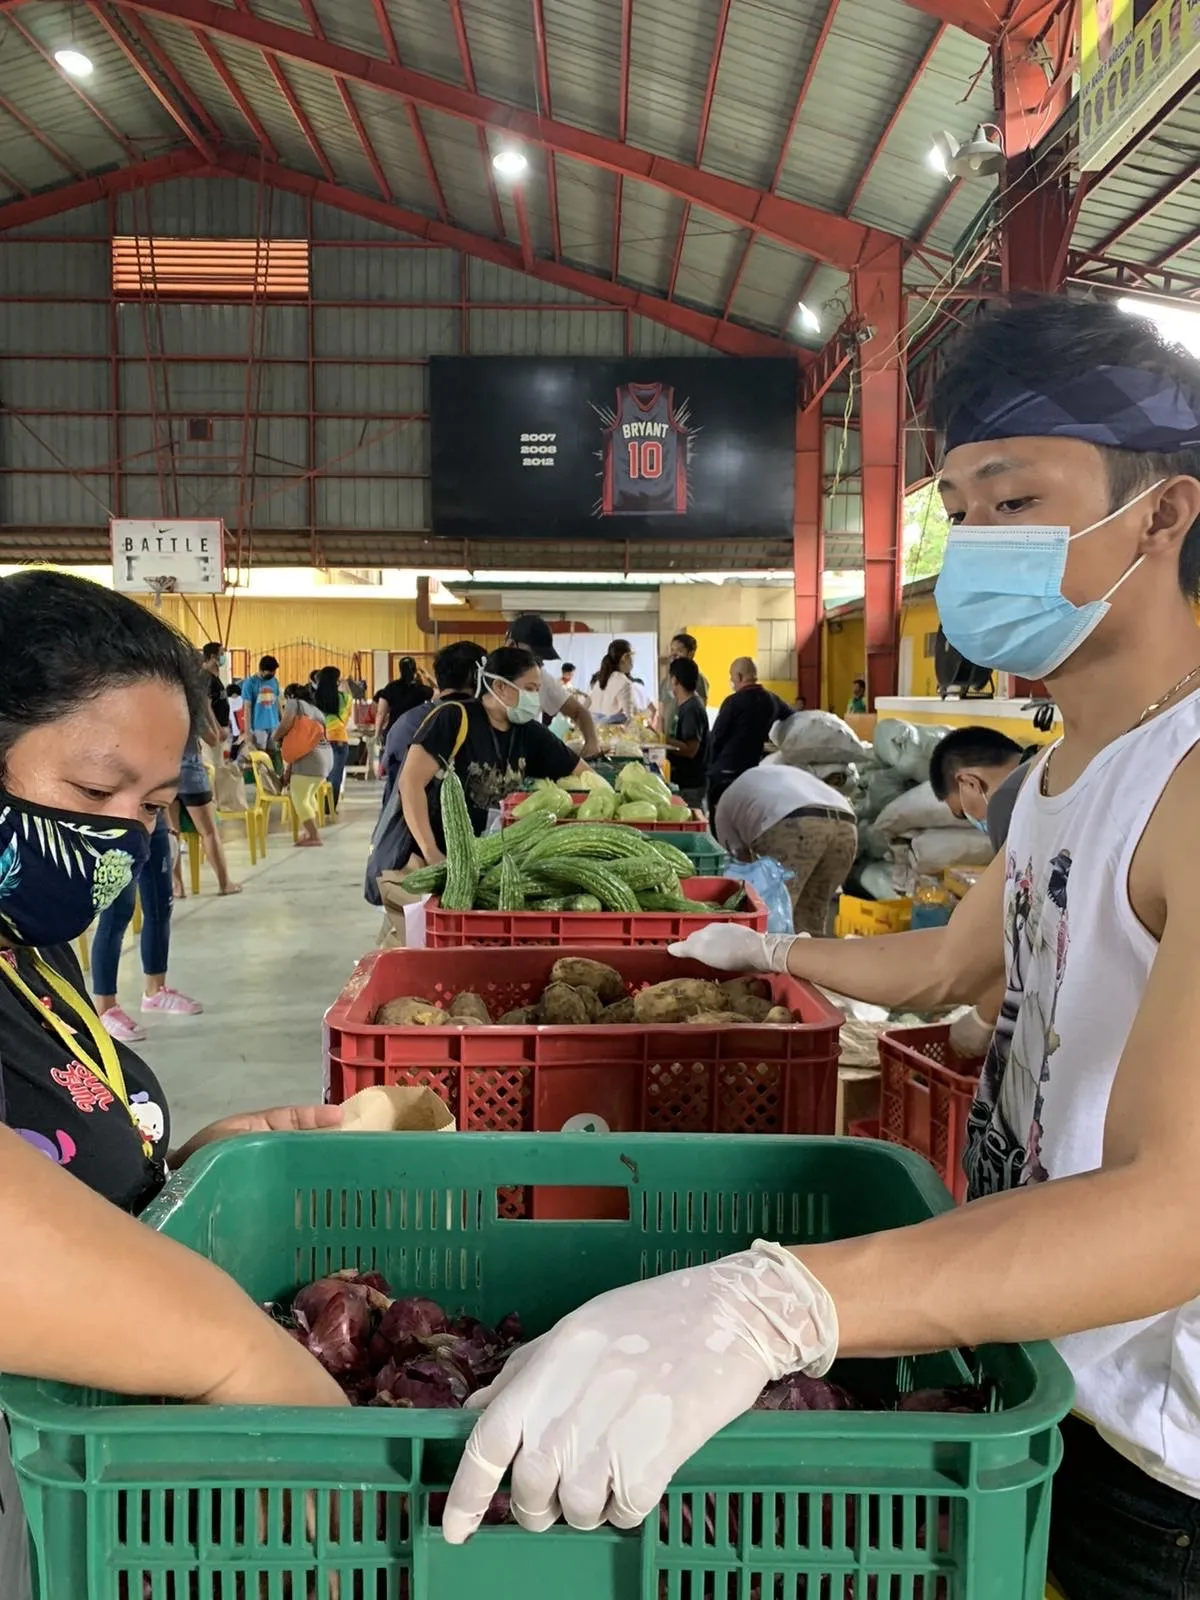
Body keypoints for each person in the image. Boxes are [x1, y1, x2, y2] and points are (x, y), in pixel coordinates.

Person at [438, 296, 1200, 1599]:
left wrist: (780, 1302)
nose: (979, 544)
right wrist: (774, 962)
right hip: (1039, 1355)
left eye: (1017, 501)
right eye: (962, 509)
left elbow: (1177, 1209)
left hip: (1161, 1461)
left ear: (1165, 512)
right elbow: (951, 968)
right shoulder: (1064, 776)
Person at [0, 570, 348, 1586]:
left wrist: (181, 1170)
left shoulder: (28, 940)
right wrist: (246, 1359)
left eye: (152, 803)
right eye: (93, 794)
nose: (124, 832)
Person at [398, 644, 585, 865]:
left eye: (537, 690)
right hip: (444, 857)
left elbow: (583, 774)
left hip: (495, 860)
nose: (535, 698)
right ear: (500, 686)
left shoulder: (529, 732)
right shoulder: (453, 718)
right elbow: (410, 783)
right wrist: (432, 853)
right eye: (529, 688)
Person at [92, 810, 200, 1042]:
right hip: (118, 822)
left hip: (153, 818)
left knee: (161, 905)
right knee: (117, 914)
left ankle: (155, 991)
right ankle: (105, 1008)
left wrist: (168, 826)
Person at [712, 764, 857, 935]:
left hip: (797, 823)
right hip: (847, 826)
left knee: (776, 911)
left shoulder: (723, 806)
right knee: (813, 914)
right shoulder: (768, 775)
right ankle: (811, 951)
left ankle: (774, 952)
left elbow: (738, 863)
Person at [379, 640, 482, 809]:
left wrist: (378, 734)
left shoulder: (408, 717)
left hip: (400, 812)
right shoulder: (474, 720)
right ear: (477, 676)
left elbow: (390, 763)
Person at [707, 657, 790, 824]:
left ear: (739, 676)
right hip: (751, 773)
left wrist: (709, 766)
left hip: (725, 772)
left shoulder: (733, 702)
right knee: (745, 821)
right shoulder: (772, 700)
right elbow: (792, 717)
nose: (732, 682)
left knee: (721, 821)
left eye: (732, 677)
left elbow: (716, 738)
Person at [176, 683, 241, 896]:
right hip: (190, 773)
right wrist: (207, 709)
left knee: (171, 833)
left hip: (164, 774)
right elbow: (213, 738)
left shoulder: (157, 705)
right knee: (209, 832)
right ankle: (224, 883)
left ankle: (178, 886)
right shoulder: (190, 706)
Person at [928, 725, 1036, 851]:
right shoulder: (1047, 761)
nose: (975, 822)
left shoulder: (1020, 824)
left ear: (970, 783)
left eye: (964, 814)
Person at [506, 614, 601, 757]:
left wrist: (592, 742)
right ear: (511, 645)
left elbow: (579, 712)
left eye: (541, 659)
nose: (537, 663)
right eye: (533, 656)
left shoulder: (542, 678)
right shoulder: (488, 676)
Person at [275, 683, 332, 848]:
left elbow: (285, 724)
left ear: (290, 696)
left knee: (299, 797)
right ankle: (309, 831)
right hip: (325, 757)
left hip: (309, 759)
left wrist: (275, 736)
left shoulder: (294, 703)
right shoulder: (317, 711)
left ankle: (314, 836)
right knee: (308, 797)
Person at [662, 658, 710, 811]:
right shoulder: (683, 705)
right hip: (682, 781)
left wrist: (662, 740)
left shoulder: (692, 709)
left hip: (690, 785)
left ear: (675, 680)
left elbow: (691, 750)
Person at [312, 664, 351, 808]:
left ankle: (319, 806)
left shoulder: (314, 699)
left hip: (319, 740)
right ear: (336, 681)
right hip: (339, 739)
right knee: (335, 776)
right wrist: (345, 685)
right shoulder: (344, 698)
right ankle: (330, 808)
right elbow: (347, 713)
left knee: (320, 775)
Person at [659, 633, 709, 737]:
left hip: (687, 737)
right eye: (672, 650)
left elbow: (699, 711)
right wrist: (660, 737)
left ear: (691, 654)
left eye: (679, 651)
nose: (674, 654)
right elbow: (661, 714)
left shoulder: (698, 680)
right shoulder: (665, 681)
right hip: (669, 739)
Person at [373, 656, 431, 743]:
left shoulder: (391, 687)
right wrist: (428, 676)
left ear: (400, 670)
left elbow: (381, 713)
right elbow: (440, 692)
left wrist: (377, 734)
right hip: (415, 734)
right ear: (415, 670)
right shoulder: (420, 689)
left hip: (394, 733)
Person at [589, 639, 638, 722]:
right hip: (613, 730)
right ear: (625, 657)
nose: (633, 660)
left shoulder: (599, 680)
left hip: (594, 728)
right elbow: (629, 720)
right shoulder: (624, 683)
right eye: (632, 655)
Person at [241, 654, 281, 751]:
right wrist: (247, 732)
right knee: (261, 755)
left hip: (274, 724)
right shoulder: (250, 683)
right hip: (258, 727)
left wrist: (281, 721)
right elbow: (247, 708)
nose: (272, 675)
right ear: (262, 670)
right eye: (270, 673)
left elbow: (277, 702)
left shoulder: (274, 681)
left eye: (274, 672)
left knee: (274, 754)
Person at [199, 642, 230, 746]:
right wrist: (218, 730)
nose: (223, 657)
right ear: (212, 656)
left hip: (220, 728)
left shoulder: (214, 677)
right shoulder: (206, 677)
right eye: (221, 654)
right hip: (214, 732)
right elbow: (206, 707)